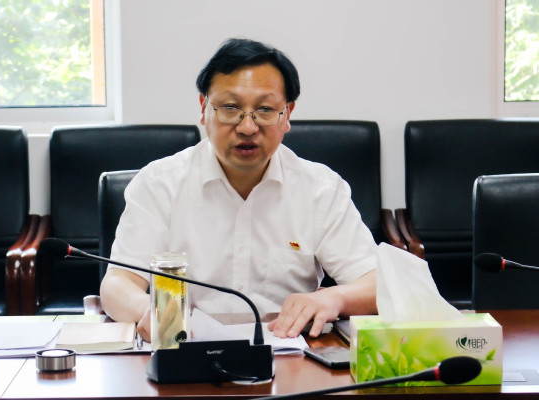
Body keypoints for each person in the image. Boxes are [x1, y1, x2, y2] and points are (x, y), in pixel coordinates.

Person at [100, 38, 378, 343]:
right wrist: (149, 311)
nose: (247, 127)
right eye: (230, 108)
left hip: (289, 357)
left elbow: (377, 284)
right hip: (185, 351)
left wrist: (334, 298)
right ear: (204, 108)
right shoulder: (159, 184)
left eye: (265, 110)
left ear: (287, 114)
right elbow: (117, 285)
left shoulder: (320, 189)